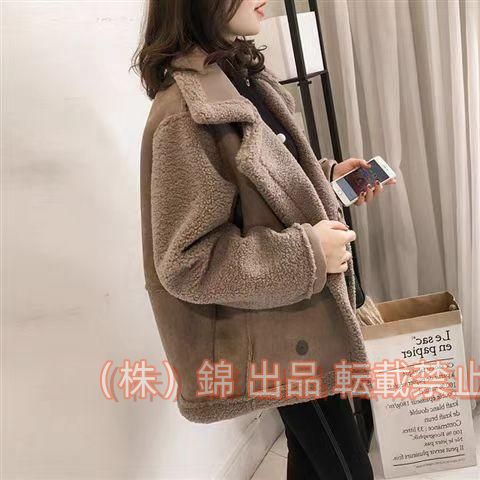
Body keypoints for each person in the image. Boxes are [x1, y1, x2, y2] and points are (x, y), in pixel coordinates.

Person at [132, 1, 396, 478]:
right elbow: (187, 262)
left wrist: (328, 179)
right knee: (347, 466)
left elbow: (263, 192)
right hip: (284, 333)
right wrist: (308, 253)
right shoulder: (186, 114)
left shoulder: (245, 77)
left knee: (312, 459)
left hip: (303, 321)